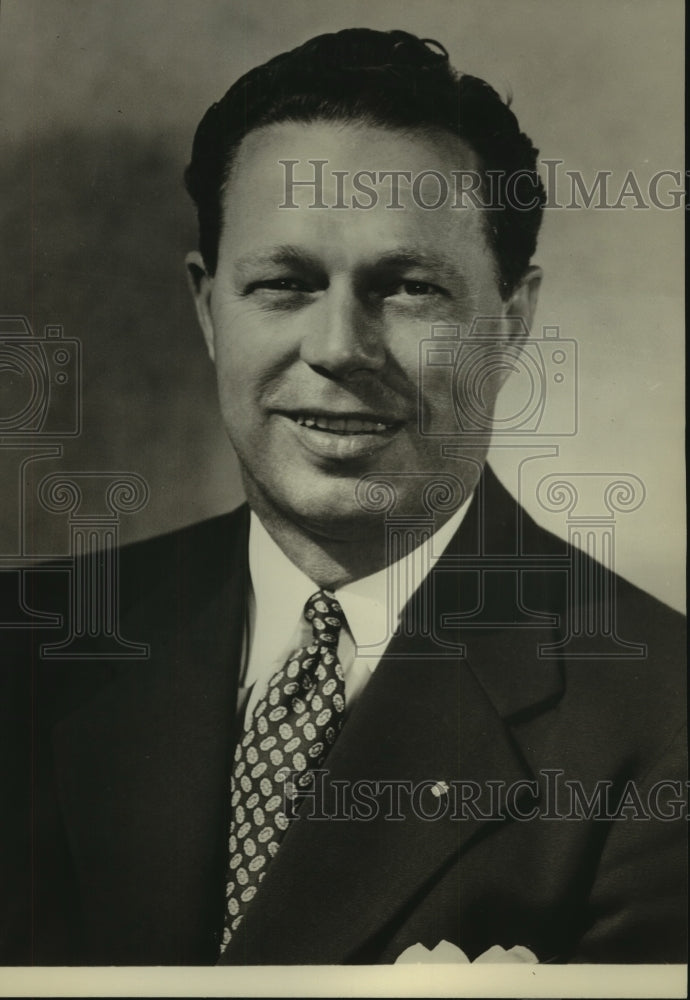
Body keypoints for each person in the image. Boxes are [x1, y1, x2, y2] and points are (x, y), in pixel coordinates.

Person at [1, 28, 685, 966]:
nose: (338, 348)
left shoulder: (662, 719)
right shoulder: (27, 653)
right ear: (209, 311)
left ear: (511, 321)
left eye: (407, 288)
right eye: (282, 283)